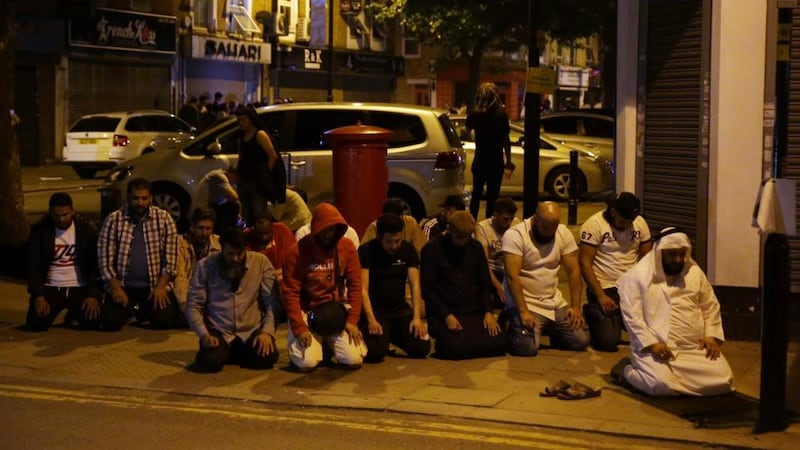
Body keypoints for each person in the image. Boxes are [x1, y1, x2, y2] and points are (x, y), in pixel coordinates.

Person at [614, 228, 734, 396]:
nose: (678, 260)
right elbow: (632, 317)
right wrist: (652, 344)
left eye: (681, 254)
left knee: (723, 381)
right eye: (672, 254)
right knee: (659, 386)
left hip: (694, 348)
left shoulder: (694, 272)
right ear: (660, 252)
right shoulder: (637, 277)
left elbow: (710, 306)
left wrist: (710, 336)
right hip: (655, 350)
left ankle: (678, 383)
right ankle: (626, 371)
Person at [282, 203, 367, 371]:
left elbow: (356, 285)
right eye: (325, 230)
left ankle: (328, 343)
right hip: (307, 311)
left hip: (334, 310)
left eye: (333, 230)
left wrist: (352, 321)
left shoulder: (347, 247)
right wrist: (299, 328)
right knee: (307, 363)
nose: (328, 234)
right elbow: (290, 293)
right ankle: (311, 344)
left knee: (353, 359)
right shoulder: (298, 251)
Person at [502, 202, 589, 356]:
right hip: (527, 304)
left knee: (580, 340)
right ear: (535, 220)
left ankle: (549, 329)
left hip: (553, 303)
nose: (549, 233)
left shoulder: (563, 233)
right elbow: (512, 277)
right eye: (545, 228)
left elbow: (574, 271)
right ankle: (511, 323)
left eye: (553, 228)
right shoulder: (516, 235)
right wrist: (523, 312)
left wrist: (576, 307)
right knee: (527, 348)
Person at [186, 227, 279, 373]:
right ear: (221, 249)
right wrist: (204, 334)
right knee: (210, 362)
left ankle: (233, 353)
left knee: (268, 357)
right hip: (219, 330)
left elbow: (271, 302)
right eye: (230, 254)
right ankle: (226, 353)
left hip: (250, 329)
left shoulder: (261, 262)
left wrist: (267, 332)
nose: (235, 259)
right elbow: (193, 305)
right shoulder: (205, 266)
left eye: (239, 254)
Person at [421, 211, 508, 360]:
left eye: (466, 238)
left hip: (472, 310)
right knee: (455, 348)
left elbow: (484, 282)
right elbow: (427, 288)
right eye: (459, 238)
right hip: (446, 311)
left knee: (499, 343)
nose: (462, 242)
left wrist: (488, 312)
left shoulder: (475, 247)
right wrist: (446, 314)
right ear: (450, 231)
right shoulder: (433, 249)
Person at [98, 178, 180, 331]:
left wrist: (161, 286)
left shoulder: (164, 219)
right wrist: (115, 288)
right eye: (135, 198)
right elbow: (105, 261)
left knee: (165, 321)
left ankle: (140, 311)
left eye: (144, 198)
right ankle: (133, 309)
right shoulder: (113, 220)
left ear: (150, 198)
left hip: (154, 285)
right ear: (128, 198)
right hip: (124, 285)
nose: (140, 203)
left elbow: (171, 261)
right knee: (110, 322)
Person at [579, 192, 652, 352]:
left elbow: (647, 258)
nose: (627, 224)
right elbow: (585, 263)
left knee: (654, 333)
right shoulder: (594, 224)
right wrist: (600, 296)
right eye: (623, 220)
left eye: (630, 221)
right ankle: (592, 313)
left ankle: (620, 318)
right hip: (605, 288)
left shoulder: (640, 223)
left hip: (631, 288)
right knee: (609, 342)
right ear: (613, 212)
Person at [25, 192, 102, 331]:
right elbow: (33, 265)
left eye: (65, 214)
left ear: (73, 211)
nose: (61, 219)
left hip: (79, 286)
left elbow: (95, 264)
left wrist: (93, 295)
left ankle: (73, 314)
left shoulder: (86, 228)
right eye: (56, 215)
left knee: (92, 321)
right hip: (52, 286)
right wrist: (38, 295)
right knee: (36, 324)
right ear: (50, 213)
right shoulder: (40, 229)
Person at [359, 214, 430, 362]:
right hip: (376, 311)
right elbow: (362, 289)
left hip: (399, 310)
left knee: (422, 347)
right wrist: (371, 319)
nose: (394, 246)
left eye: (397, 241)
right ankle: (382, 336)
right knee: (376, 353)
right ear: (379, 236)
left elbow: (415, 284)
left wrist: (417, 318)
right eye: (389, 242)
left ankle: (392, 335)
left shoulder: (408, 250)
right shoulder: (366, 251)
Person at [465, 82, 512, 219]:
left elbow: (468, 128)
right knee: (493, 197)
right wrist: (508, 160)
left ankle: (472, 222)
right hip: (496, 161)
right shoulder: (501, 115)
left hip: (480, 160)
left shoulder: (475, 114)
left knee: (476, 195)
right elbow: (506, 140)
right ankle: (489, 225)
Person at [234, 106, 286, 225]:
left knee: (258, 215)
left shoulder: (260, 135)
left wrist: (264, 175)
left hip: (257, 183)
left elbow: (272, 156)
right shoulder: (241, 137)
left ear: (250, 119)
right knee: (247, 214)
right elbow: (241, 157)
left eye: (243, 119)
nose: (240, 123)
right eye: (239, 120)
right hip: (244, 180)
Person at [174, 208, 221, 317]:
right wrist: (186, 306)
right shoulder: (180, 243)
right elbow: (180, 277)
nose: (204, 233)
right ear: (192, 226)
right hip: (186, 292)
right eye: (200, 228)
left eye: (208, 228)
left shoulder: (220, 244)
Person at [475, 197, 520, 309]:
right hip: (492, 270)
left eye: (511, 218)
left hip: (510, 268)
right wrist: (498, 285)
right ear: (495, 215)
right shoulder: (483, 228)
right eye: (505, 219)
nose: (508, 223)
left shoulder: (516, 224)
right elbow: (483, 262)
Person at [360, 199, 426, 253]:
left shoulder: (411, 222)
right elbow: (365, 251)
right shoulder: (375, 226)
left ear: (402, 215)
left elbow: (421, 249)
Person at [201, 162, 241, 233]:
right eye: (237, 178)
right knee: (234, 206)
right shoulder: (220, 177)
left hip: (208, 207)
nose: (236, 182)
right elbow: (234, 197)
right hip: (203, 211)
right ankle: (228, 233)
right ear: (234, 174)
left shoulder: (220, 173)